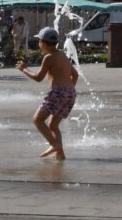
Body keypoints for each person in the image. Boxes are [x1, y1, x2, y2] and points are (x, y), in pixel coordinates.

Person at [17, 27, 79, 160]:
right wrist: (68, 91)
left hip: (58, 92)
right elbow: (75, 74)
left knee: (37, 120)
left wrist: (24, 69)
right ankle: (60, 153)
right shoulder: (62, 54)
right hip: (70, 93)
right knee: (52, 125)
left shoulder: (48, 58)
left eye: (39, 41)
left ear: (42, 43)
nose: (38, 44)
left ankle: (54, 144)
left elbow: (39, 78)